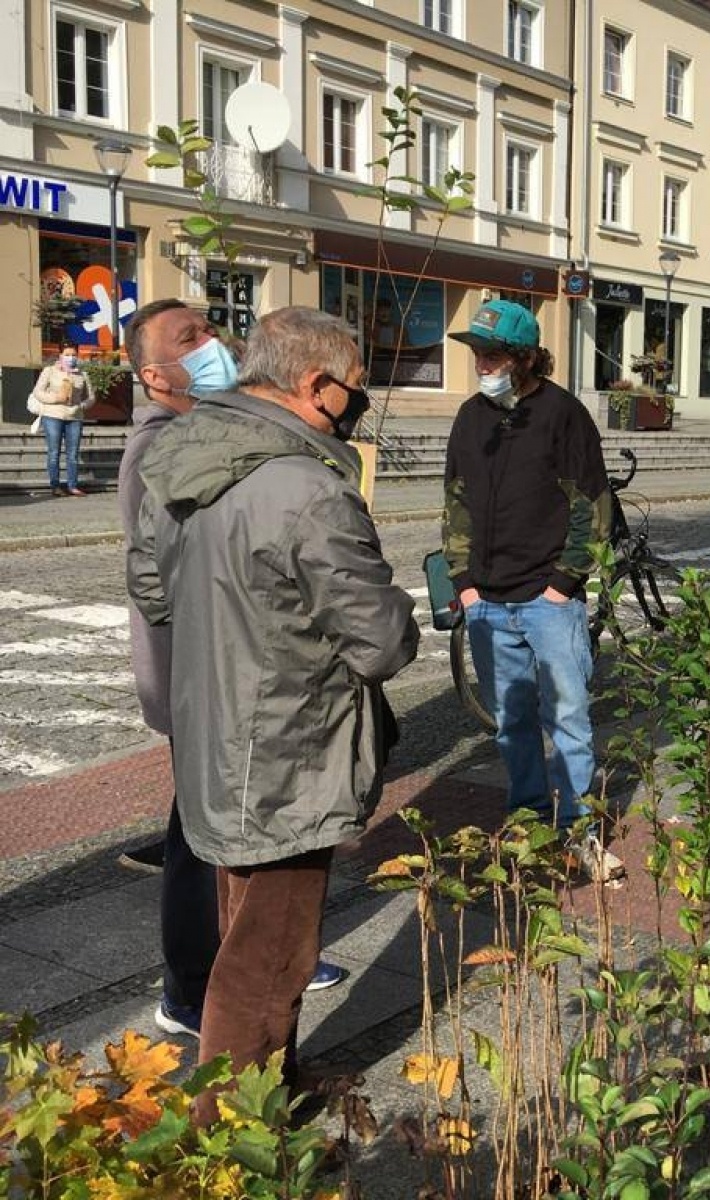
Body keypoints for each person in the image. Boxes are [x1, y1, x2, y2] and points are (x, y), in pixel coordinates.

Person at [128, 306, 418, 1119]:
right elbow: (379, 643)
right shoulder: (307, 488)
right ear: (315, 384)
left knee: (242, 916)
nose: (357, 403)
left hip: (214, 727)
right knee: (270, 951)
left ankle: (272, 1083)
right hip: (291, 741)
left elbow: (152, 589)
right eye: (353, 390)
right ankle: (234, 1128)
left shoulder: (187, 453)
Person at [118, 299, 349, 1039]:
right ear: (156, 374)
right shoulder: (160, 447)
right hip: (204, 677)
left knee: (222, 837)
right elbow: (155, 573)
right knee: (203, 841)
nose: (212, 344)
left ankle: (245, 967)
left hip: (218, 672)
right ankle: (197, 987)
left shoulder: (207, 437)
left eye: (211, 330)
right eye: (190, 339)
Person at [441, 300, 621, 882]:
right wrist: (464, 583)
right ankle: (527, 820)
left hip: (548, 602)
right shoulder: (471, 417)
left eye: (492, 354)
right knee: (511, 722)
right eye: (476, 354)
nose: (481, 364)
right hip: (487, 602)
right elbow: (456, 502)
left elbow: (593, 505)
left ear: (523, 358)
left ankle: (579, 833)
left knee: (568, 720)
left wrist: (563, 585)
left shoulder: (562, 415)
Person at [30, 349, 93, 496]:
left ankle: (72, 485)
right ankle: (55, 485)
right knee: (54, 452)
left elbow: (91, 397)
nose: (70, 357)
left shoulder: (82, 374)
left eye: (73, 355)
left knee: (73, 454)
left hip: (75, 418)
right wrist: (55, 398)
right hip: (52, 415)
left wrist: (82, 406)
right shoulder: (49, 371)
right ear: (61, 356)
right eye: (67, 354)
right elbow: (38, 392)